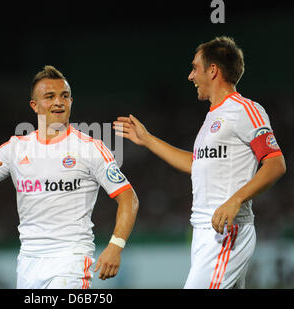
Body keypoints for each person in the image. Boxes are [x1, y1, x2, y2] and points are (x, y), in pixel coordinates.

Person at [114, 36, 286, 289]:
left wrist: (235, 200)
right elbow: (197, 165)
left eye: (195, 67)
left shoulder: (245, 110)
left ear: (213, 70)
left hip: (226, 230)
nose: (190, 76)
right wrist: (148, 140)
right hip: (206, 231)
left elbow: (275, 163)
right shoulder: (212, 118)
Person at [0, 65, 139, 289]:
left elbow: (128, 198)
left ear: (71, 101)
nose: (58, 102)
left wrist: (115, 245)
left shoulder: (90, 148)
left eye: (64, 96)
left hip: (71, 260)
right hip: (28, 263)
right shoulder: (15, 149)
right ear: (34, 105)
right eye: (49, 96)